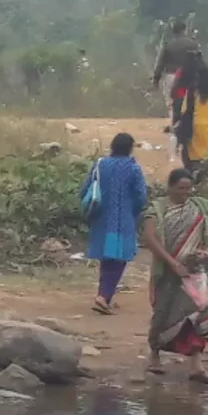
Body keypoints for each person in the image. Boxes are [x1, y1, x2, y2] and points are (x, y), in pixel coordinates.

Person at [144, 167, 208, 381]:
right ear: (170, 187)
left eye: (189, 188)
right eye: (181, 188)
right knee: (163, 312)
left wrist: (206, 251)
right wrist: (172, 264)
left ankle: (196, 365)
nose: (185, 193)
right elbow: (151, 239)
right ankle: (155, 355)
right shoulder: (157, 209)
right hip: (167, 271)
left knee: (197, 313)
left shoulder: (199, 207)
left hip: (193, 272)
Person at [82, 134, 149, 315]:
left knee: (107, 258)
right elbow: (141, 196)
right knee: (119, 259)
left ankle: (104, 294)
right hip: (123, 220)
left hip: (102, 219)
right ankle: (104, 297)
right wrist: (134, 212)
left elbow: (85, 188)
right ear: (130, 148)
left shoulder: (100, 164)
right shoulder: (133, 168)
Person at [170, 55, 208, 179]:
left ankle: (192, 171)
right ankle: (203, 172)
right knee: (207, 150)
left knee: (191, 151)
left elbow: (185, 109)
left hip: (194, 124)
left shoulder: (192, 90)